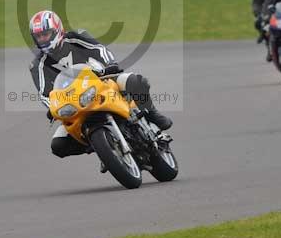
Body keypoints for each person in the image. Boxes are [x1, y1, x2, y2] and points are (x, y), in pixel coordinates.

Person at [28, 10, 173, 159]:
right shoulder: (37, 65)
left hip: (102, 80)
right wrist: (52, 108)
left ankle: (153, 113)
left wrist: (110, 65)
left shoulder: (76, 37)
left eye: (45, 34)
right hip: (74, 103)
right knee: (58, 145)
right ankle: (101, 145)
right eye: (38, 36)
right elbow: (44, 94)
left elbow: (99, 49)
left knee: (135, 81)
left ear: (57, 30)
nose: (42, 39)